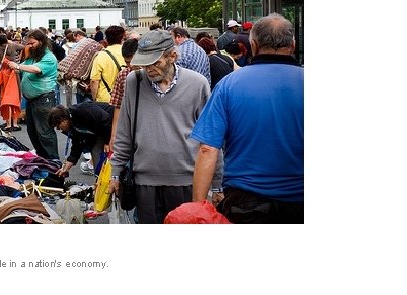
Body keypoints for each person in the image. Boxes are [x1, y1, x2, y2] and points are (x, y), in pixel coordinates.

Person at [191, 13, 304, 224]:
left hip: (245, 202)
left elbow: (208, 150)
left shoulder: (228, 85)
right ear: (294, 45)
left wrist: (198, 210)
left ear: (253, 45)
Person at [107, 30, 215, 224]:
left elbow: (211, 139)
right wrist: (115, 173)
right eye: (145, 64)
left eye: (156, 62)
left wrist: (217, 184)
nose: (149, 69)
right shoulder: (134, 82)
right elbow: (125, 133)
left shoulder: (197, 84)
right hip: (144, 182)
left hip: (185, 181)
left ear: (172, 56)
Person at [7, 29, 59, 160]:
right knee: (33, 132)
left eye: (32, 43)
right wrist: (10, 66)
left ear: (41, 42)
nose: (29, 46)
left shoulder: (49, 58)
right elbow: (22, 68)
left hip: (44, 100)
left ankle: (53, 161)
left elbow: (36, 69)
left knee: (44, 132)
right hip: (32, 101)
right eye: (27, 43)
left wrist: (18, 67)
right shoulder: (33, 57)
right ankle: (43, 159)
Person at [49, 102, 113, 177]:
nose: (59, 129)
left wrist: (107, 141)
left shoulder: (81, 110)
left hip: (112, 123)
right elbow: (77, 144)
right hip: (100, 132)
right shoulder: (72, 125)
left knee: (112, 157)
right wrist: (67, 166)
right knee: (96, 155)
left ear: (63, 119)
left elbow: (105, 118)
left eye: (58, 126)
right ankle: (100, 180)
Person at [107, 37, 139, 153]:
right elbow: (117, 107)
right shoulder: (123, 75)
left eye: (132, 62)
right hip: (128, 129)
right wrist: (113, 136)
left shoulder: (152, 76)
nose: (130, 66)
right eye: (127, 62)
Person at [89, 25, 126, 102]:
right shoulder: (128, 53)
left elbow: (94, 81)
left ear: (106, 40)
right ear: (122, 38)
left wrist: (94, 98)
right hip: (125, 98)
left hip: (105, 98)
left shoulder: (101, 55)